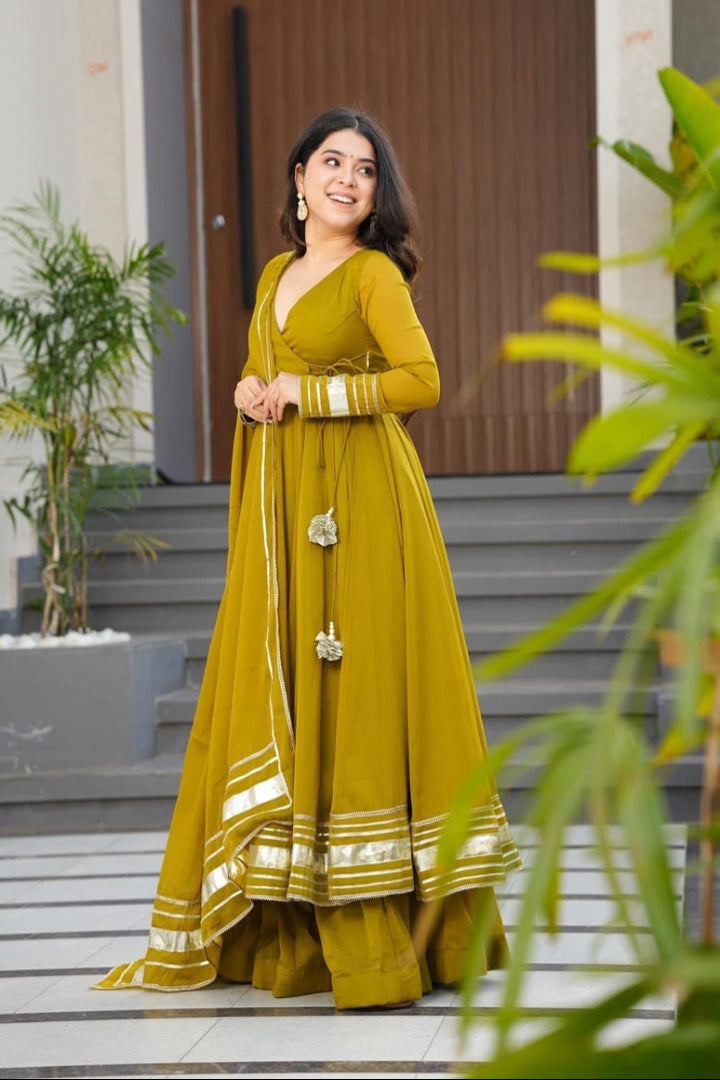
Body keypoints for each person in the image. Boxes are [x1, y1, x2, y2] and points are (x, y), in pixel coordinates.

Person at [95, 107, 521, 1010]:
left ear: (376, 195)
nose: (348, 180)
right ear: (298, 176)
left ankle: (381, 945)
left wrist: (311, 393)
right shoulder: (274, 273)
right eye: (332, 162)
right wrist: (253, 392)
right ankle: (290, 936)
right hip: (288, 512)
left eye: (365, 171)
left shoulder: (372, 275)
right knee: (291, 682)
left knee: (359, 691)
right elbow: (270, 374)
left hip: (365, 505)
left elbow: (423, 381)